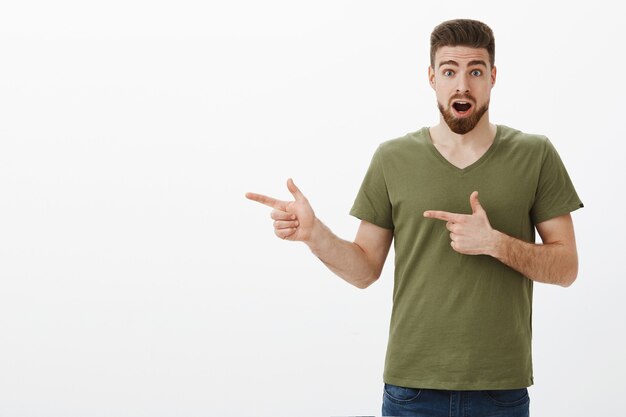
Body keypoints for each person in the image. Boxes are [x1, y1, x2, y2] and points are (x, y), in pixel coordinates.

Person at [246, 19, 582, 417]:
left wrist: (495, 243)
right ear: (431, 77)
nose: (463, 85)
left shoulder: (536, 155)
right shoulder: (392, 159)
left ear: (493, 77)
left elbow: (566, 268)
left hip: (500, 390)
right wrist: (314, 234)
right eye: (449, 71)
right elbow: (364, 269)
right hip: (412, 392)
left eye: (476, 71)